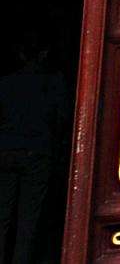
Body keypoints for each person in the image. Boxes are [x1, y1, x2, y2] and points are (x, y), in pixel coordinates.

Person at [0, 28, 69, 264]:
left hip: (6, 152)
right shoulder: (54, 83)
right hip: (37, 154)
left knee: (2, 217)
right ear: (44, 54)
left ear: (20, 54)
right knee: (29, 220)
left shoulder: (6, 83)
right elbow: (62, 120)